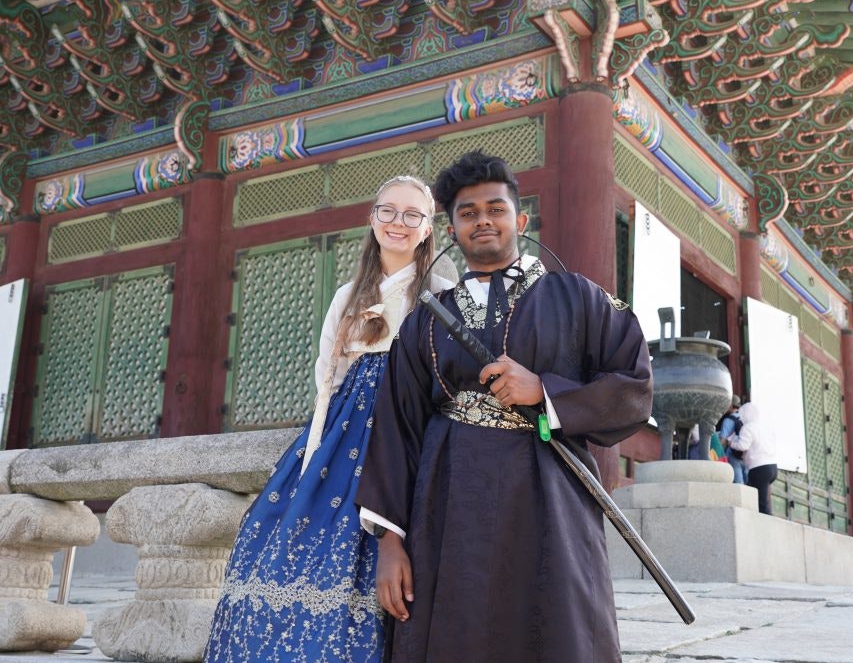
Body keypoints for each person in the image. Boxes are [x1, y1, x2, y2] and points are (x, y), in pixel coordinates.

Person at [355, 151, 653, 661]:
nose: (483, 221)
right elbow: (397, 427)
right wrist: (389, 542)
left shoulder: (580, 297)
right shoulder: (427, 319)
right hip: (447, 499)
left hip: (550, 493)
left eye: (496, 208)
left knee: (557, 627)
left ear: (521, 218)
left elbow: (634, 386)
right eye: (468, 214)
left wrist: (545, 392)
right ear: (450, 229)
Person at [204, 176, 453, 662]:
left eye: (411, 215)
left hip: (410, 429)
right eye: (388, 211)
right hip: (344, 436)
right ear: (372, 219)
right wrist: (313, 457)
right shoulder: (348, 296)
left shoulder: (442, 294)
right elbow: (328, 381)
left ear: (428, 229)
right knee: (282, 547)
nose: (398, 223)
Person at [733, 402, 777, 515]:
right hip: (772, 466)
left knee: (760, 503)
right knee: (762, 497)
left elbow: (743, 446)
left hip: (759, 468)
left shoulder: (747, 427)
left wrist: (731, 442)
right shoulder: (765, 426)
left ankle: (765, 526)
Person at [718, 395, 746, 483]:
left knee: (738, 483)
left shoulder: (729, 420)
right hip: (746, 453)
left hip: (733, 453)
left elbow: (723, 440)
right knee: (747, 482)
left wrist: (718, 456)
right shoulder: (745, 417)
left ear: (730, 406)